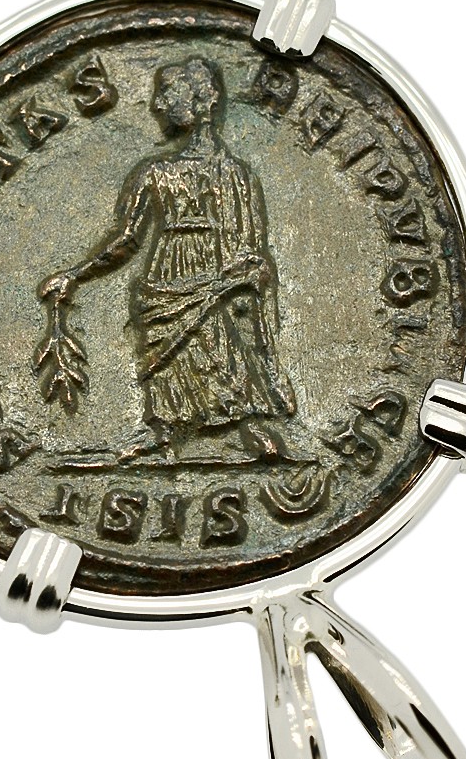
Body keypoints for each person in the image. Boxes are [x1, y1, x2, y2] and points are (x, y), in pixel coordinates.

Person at [39, 57, 296, 461]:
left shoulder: (237, 175)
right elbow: (125, 240)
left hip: (218, 280)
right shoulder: (155, 172)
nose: (157, 105)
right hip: (164, 280)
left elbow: (252, 250)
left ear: (197, 100)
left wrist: (235, 284)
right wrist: (76, 274)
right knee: (167, 362)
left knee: (223, 350)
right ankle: (164, 432)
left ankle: (251, 429)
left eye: (167, 93)